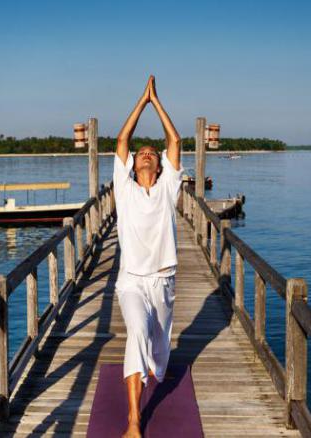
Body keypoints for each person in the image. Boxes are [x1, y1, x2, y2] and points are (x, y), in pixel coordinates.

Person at [113, 75, 184, 438]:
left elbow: (175, 141)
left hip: (163, 280)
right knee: (137, 334)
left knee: (159, 355)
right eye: (141, 153)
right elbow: (122, 141)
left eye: (151, 154)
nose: (145, 154)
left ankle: (156, 366)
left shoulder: (168, 188)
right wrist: (142, 101)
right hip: (131, 281)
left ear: (158, 167)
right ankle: (133, 421)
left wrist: (157, 102)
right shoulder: (123, 190)